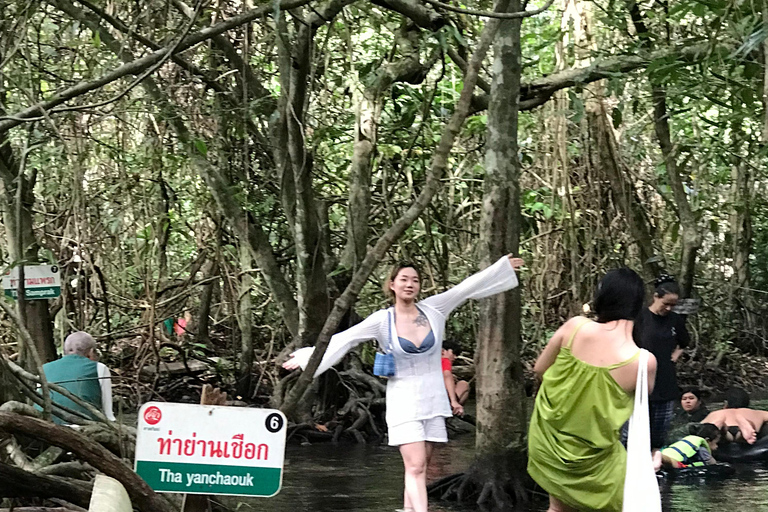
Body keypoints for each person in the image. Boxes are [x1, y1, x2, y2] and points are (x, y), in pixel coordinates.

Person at [283, 255, 524, 512]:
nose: (410, 284)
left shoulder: (434, 309)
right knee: (416, 466)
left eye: (415, 280)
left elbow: (464, 288)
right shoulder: (382, 320)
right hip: (404, 401)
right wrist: (307, 357)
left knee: (422, 466)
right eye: (404, 279)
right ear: (392, 285)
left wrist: (501, 268)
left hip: (433, 399)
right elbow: (345, 339)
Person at [527, 268, 658, 512]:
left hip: (549, 442)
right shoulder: (643, 363)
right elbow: (642, 401)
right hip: (597, 461)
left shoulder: (574, 328)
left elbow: (540, 369)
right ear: (639, 305)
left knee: (557, 509)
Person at [630, 274, 690, 449]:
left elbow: (685, 341)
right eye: (666, 304)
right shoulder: (640, 317)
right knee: (637, 430)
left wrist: (676, 355)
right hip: (640, 380)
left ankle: (656, 463)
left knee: (659, 433)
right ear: (656, 297)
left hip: (665, 379)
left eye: (673, 305)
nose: (669, 308)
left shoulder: (674, 320)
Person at [42, 331, 116, 424]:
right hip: (84, 427)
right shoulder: (99, 368)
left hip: (44, 425)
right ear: (91, 351)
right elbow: (108, 414)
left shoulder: (43, 369)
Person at [700, 387, 768, 444]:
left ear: (726, 403)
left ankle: (722, 428)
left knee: (721, 435)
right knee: (743, 437)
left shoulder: (716, 413)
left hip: (726, 430)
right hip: (747, 432)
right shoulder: (757, 413)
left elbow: (700, 426)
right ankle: (743, 432)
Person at [441, 339, 468, 416]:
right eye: (453, 353)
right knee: (464, 384)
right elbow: (447, 376)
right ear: (443, 351)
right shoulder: (445, 360)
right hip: (443, 398)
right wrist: (454, 401)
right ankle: (454, 410)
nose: (455, 357)